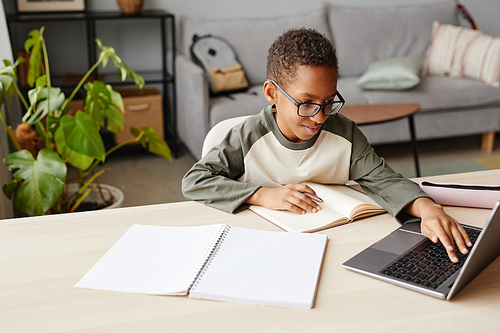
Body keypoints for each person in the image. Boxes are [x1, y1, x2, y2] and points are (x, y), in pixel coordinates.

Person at [182, 28, 472, 263]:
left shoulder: (344, 133)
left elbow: (384, 180)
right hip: (259, 249)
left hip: (333, 246)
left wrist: (428, 208)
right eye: (306, 103)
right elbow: (195, 181)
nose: (319, 116)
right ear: (272, 93)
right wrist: (262, 195)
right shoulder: (247, 136)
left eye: (329, 102)